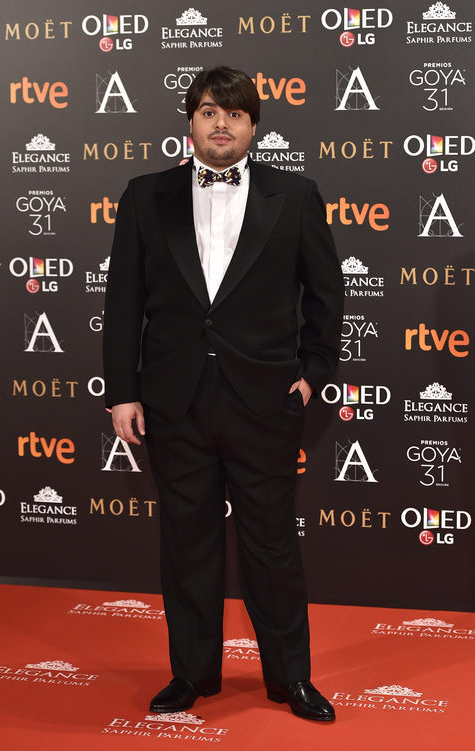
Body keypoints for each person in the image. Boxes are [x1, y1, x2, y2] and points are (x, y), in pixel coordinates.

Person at [103, 66, 344, 722]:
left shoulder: (295, 195)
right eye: (209, 111)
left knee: (272, 545)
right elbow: (122, 302)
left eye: (234, 114)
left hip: (264, 401)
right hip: (173, 401)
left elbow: (327, 297)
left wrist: (312, 375)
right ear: (190, 121)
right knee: (188, 542)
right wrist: (122, 391)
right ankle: (191, 674)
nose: (221, 124)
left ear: (253, 126)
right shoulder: (145, 195)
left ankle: (291, 678)